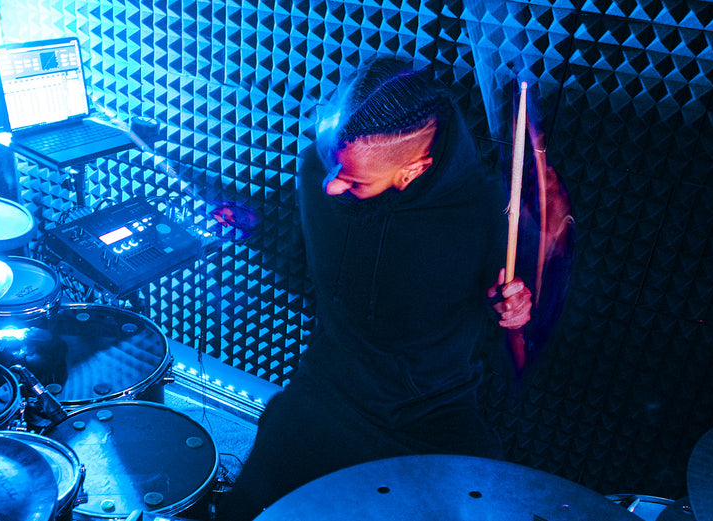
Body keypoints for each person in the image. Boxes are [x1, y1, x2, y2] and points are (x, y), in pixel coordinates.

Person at [215, 56, 532, 520]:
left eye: (353, 181)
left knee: (479, 496)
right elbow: (302, 253)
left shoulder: (483, 216)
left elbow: (516, 334)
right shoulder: (318, 167)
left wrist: (517, 313)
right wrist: (254, 222)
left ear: (412, 170)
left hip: (427, 409)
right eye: (332, 165)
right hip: (331, 383)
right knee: (253, 501)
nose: (329, 186)